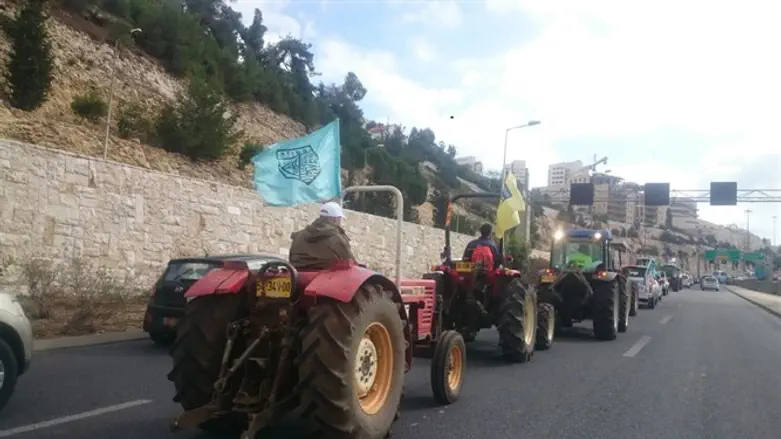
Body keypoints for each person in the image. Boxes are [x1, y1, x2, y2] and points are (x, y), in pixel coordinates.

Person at [289, 201, 357, 270]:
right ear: (335, 219)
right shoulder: (337, 239)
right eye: (340, 218)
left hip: (297, 278)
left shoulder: (298, 236)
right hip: (326, 279)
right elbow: (352, 264)